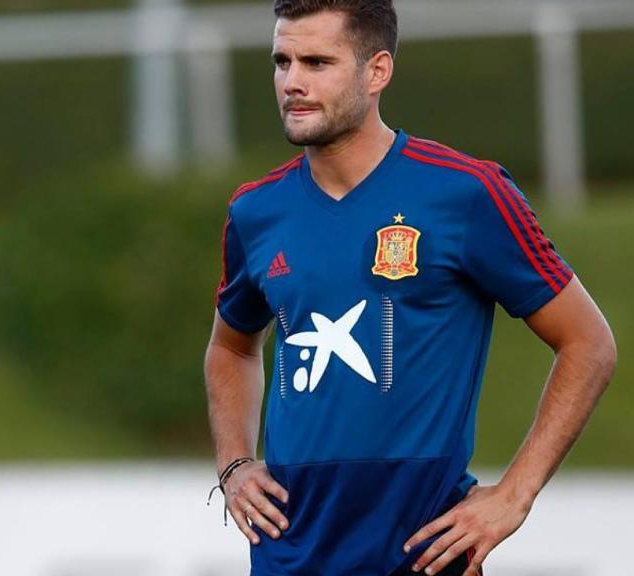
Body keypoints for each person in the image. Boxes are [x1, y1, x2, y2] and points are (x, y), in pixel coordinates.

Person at [203, 1, 616, 575]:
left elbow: (588, 342)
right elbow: (230, 346)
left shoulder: (467, 193)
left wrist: (514, 496)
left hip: (424, 555)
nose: (292, 82)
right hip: (287, 554)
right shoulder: (255, 210)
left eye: (317, 62)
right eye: (282, 61)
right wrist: (234, 463)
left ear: (377, 71)